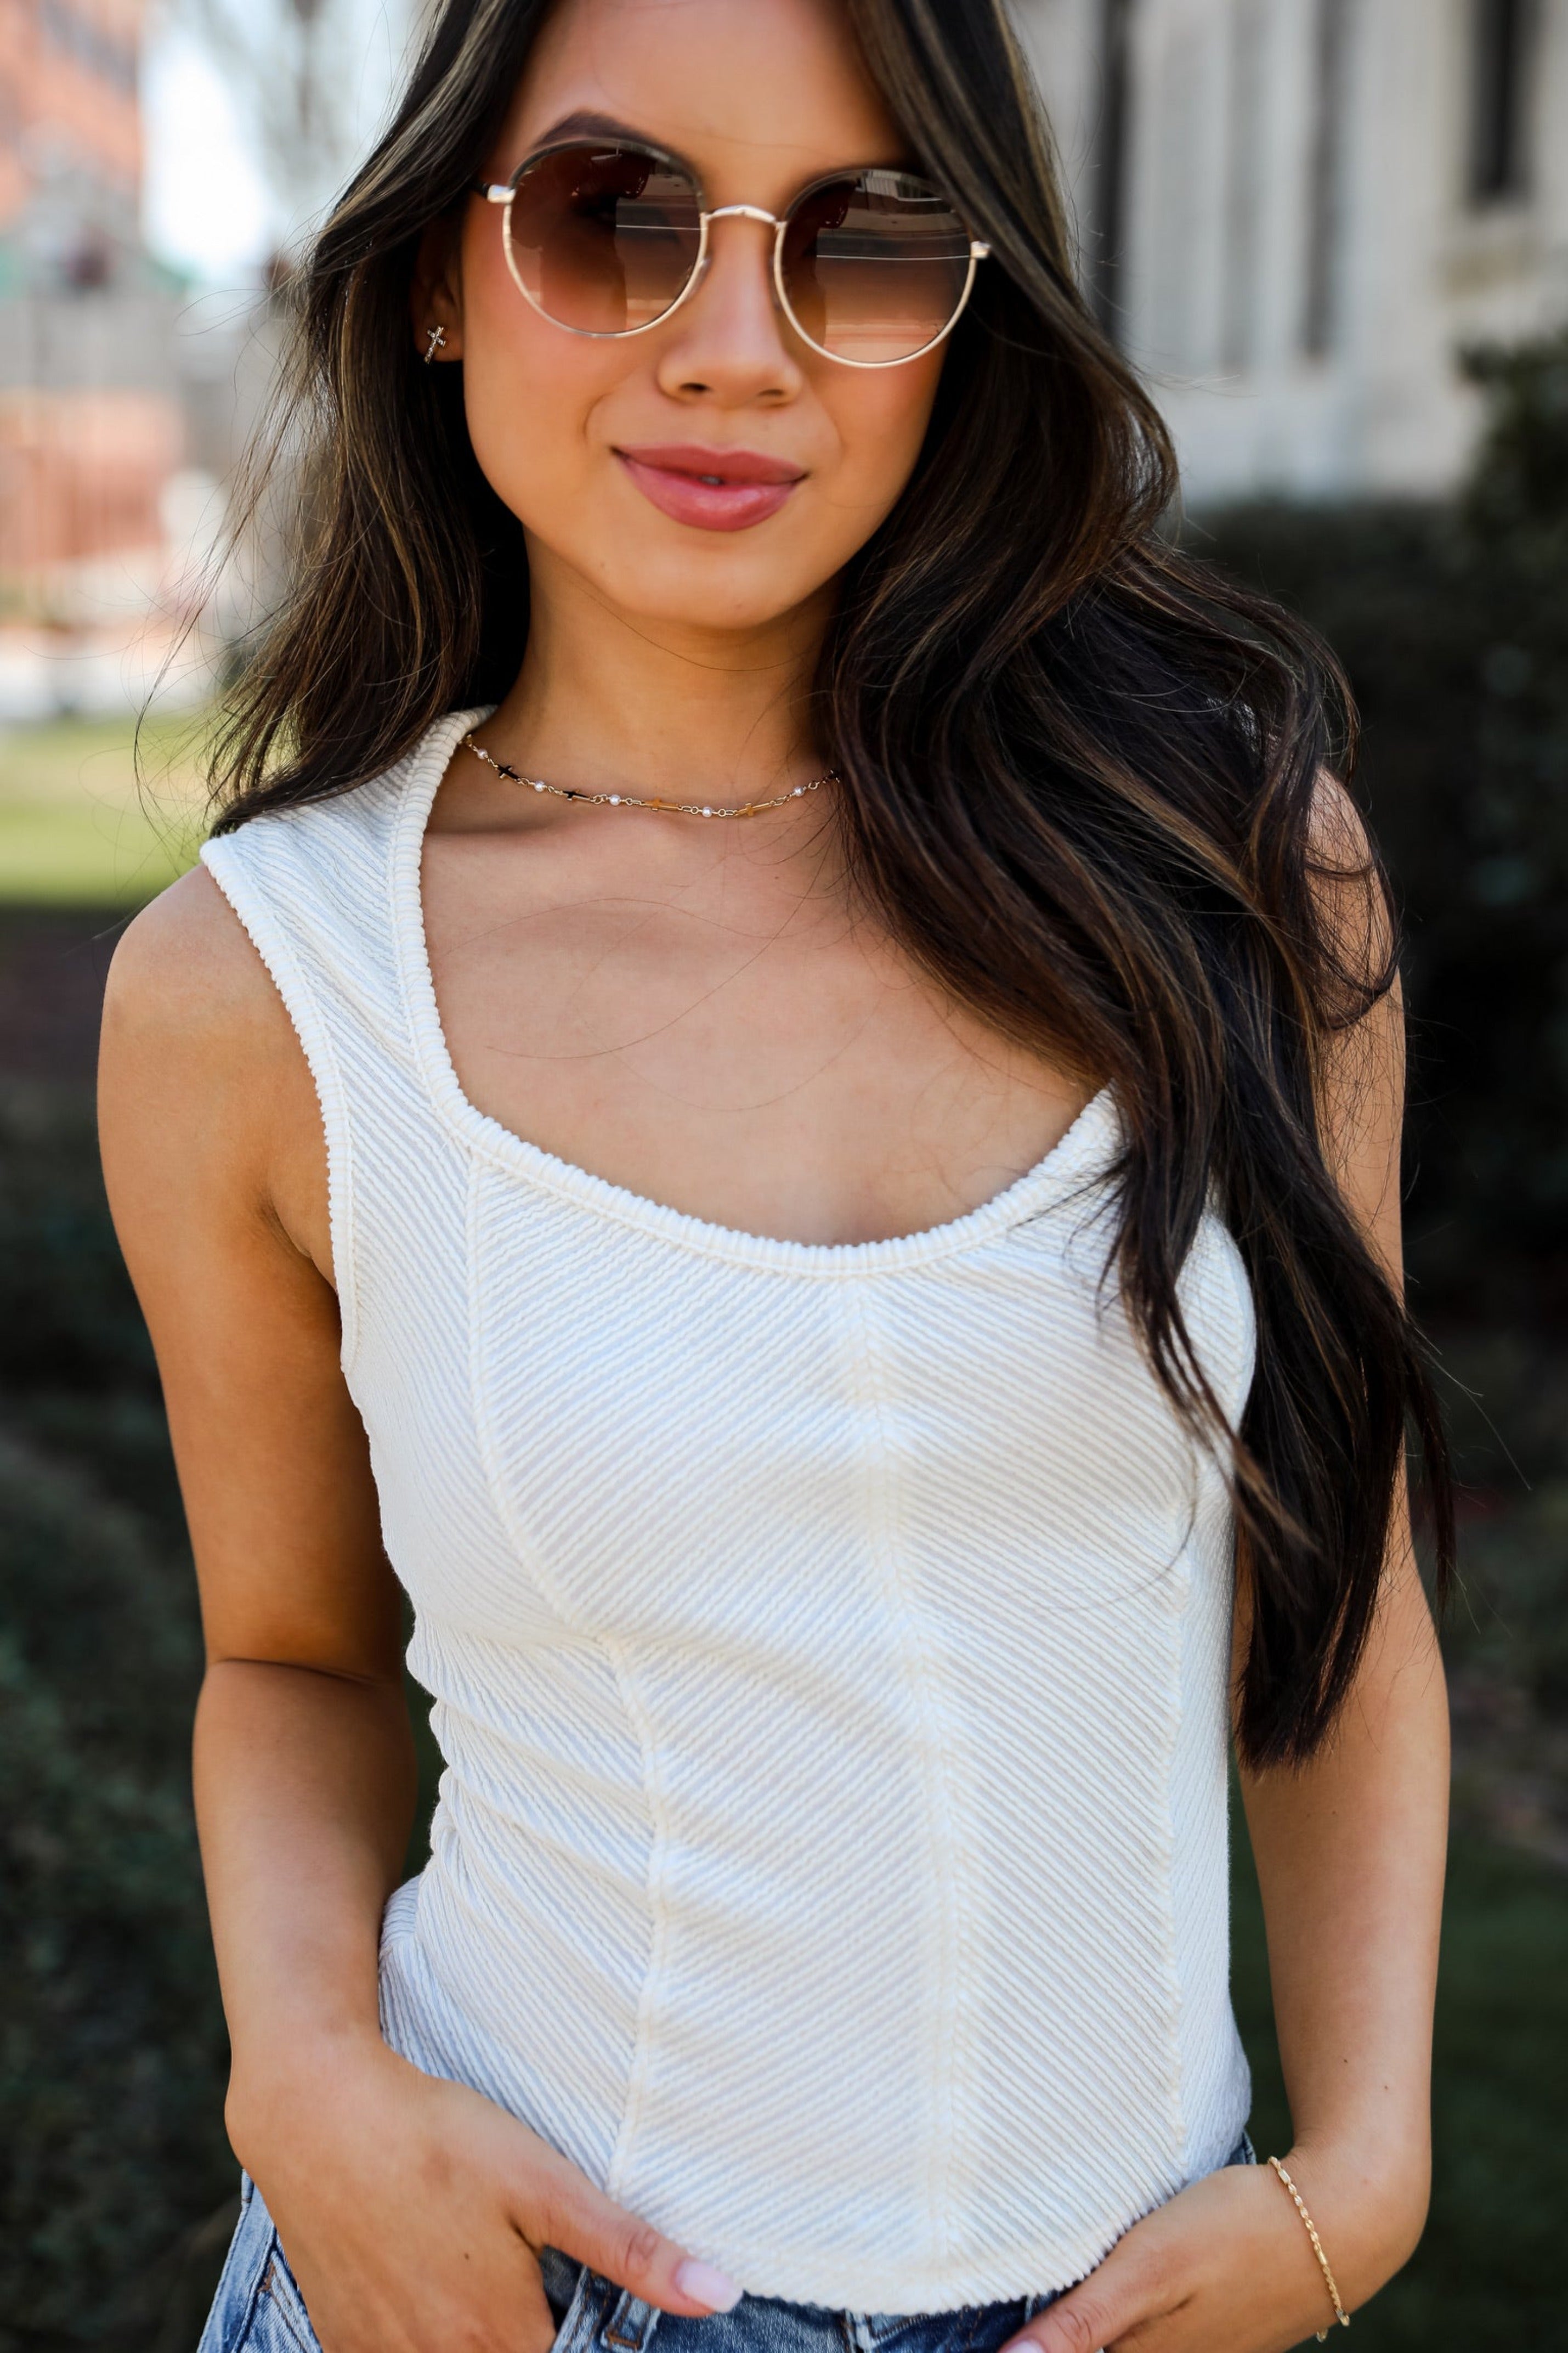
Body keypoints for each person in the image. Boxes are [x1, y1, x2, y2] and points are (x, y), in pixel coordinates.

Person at [99, 3, 1453, 2350]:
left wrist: (1364, 2171)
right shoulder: (262, 988)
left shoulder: (1227, 862)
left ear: (970, 305)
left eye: (867, 236)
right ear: (437, 263)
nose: (738, 348)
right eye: (614, 218)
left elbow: (1339, 1578)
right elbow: (291, 1650)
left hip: (1138, 2301)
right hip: (504, 2283)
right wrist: (302, 2072)